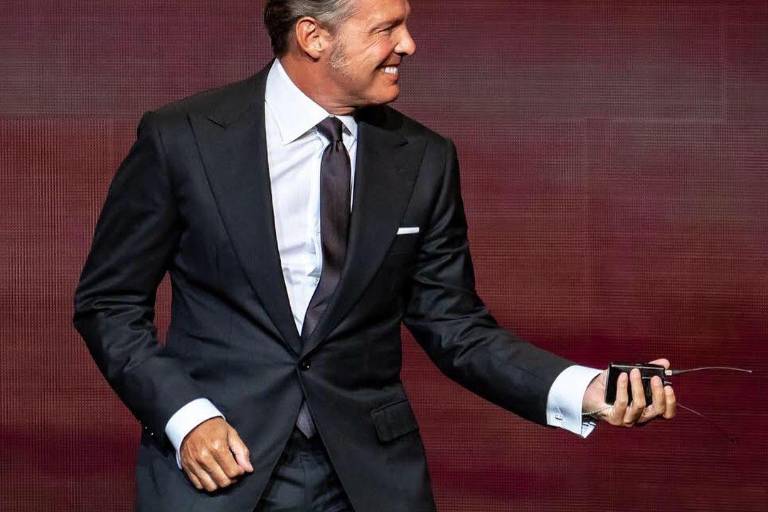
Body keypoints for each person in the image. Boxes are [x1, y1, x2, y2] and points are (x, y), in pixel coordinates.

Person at [73, 1, 676, 510]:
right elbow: (109, 303)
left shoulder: (424, 158)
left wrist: (585, 390)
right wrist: (185, 418)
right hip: (218, 470)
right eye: (386, 28)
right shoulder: (182, 137)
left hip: (370, 480)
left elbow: (455, 326)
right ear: (313, 37)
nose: (408, 44)